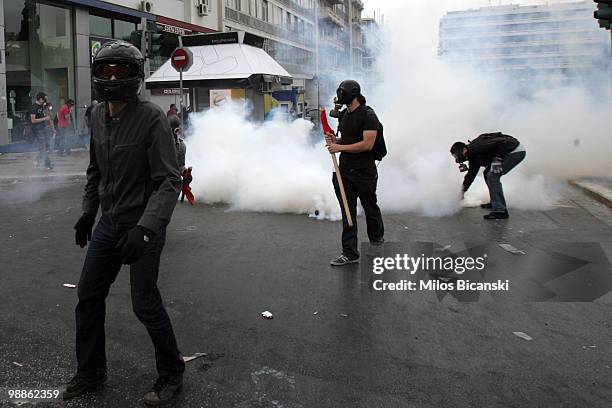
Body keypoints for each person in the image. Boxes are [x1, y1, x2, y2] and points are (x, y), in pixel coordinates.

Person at [66, 40, 185, 406]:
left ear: (135, 76)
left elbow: (169, 180)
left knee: (144, 303)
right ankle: (90, 372)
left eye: (121, 70)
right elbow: (95, 170)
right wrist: (89, 211)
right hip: (108, 223)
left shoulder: (151, 119)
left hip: (141, 227)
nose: (113, 77)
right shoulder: (96, 116)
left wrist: (146, 228)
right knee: (87, 297)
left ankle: (172, 373)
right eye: (106, 70)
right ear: (97, 76)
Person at [325, 80, 384, 266]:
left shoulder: (368, 115)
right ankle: (349, 252)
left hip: (364, 171)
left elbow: (367, 144)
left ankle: (376, 239)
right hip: (344, 171)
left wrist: (339, 147)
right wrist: (337, 140)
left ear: (353, 94)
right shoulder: (344, 115)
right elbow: (349, 139)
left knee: (370, 207)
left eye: (342, 92)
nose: (340, 96)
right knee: (347, 212)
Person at [450, 132, 526, 220]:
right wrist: (462, 192)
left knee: (492, 176)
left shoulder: (477, 147)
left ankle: (500, 211)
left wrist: (498, 158)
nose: (457, 158)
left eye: (457, 155)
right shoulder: (473, 157)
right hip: (507, 152)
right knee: (487, 173)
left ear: (464, 150)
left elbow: (503, 142)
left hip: (515, 151)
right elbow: (470, 176)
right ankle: (495, 202)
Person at [30, 92, 53, 169]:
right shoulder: (34, 107)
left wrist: (48, 113)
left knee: (45, 147)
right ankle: (47, 164)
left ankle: (37, 160)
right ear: (40, 99)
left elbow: (47, 115)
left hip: (43, 128)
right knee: (43, 147)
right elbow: (33, 120)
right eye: (44, 99)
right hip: (37, 130)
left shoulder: (42, 106)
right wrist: (44, 118)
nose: (45, 101)